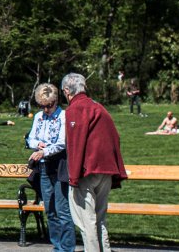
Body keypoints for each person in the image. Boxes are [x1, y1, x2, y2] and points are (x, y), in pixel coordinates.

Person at [62, 72, 127, 252]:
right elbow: (115, 137)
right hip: (106, 171)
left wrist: (73, 177)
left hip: (86, 172)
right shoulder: (99, 107)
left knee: (86, 222)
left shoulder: (75, 109)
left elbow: (75, 144)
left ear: (67, 90)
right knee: (100, 220)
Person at [26, 83, 76, 252]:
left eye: (49, 105)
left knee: (63, 210)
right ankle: (57, 246)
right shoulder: (38, 117)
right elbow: (31, 138)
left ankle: (67, 248)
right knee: (50, 210)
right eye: (42, 106)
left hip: (59, 167)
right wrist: (36, 144)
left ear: (56, 101)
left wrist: (44, 151)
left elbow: (62, 143)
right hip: (44, 168)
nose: (46, 109)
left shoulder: (64, 116)